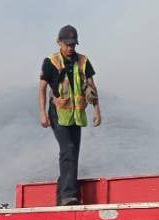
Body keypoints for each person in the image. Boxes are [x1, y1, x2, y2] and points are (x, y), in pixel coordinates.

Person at [38, 24, 101, 206]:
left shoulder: (83, 61)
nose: (70, 48)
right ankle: (69, 196)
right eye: (67, 44)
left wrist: (97, 111)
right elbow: (42, 88)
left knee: (73, 153)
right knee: (68, 150)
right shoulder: (51, 62)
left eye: (73, 45)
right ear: (59, 42)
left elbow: (92, 87)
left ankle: (61, 197)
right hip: (58, 113)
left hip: (76, 115)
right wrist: (43, 114)